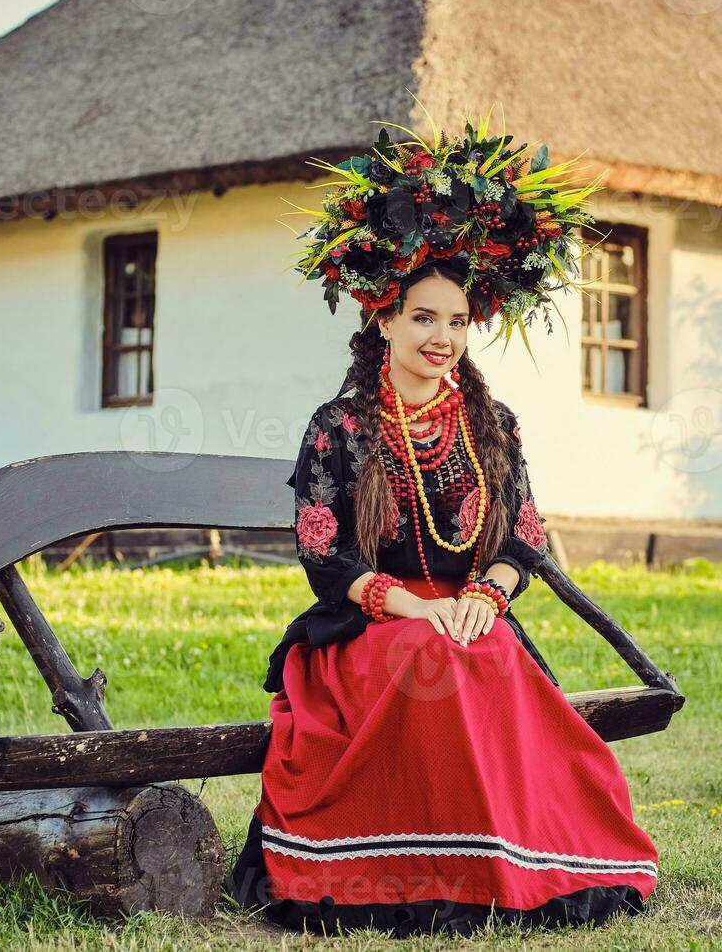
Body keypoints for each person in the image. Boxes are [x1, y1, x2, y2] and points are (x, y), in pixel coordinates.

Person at [224, 118, 659, 937]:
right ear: (383, 321)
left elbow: (521, 540)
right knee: (434, 653)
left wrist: (486, 601)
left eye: (458, 322)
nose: (443, 339)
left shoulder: (492, 423)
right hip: (367, 622)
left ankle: (503, 866)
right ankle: (409, 874)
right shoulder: (340, 427)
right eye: (424, 319)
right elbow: (322, 550)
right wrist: (418, 608)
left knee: (486, 653)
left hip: (467, 612)